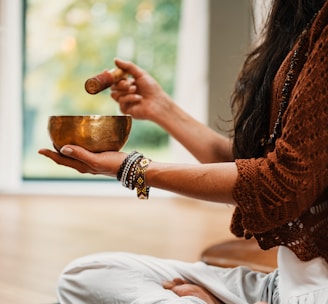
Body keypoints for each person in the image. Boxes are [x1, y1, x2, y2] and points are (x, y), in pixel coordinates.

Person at [39, 0, 328, 303]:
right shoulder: (299, 21)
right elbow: (249, 166)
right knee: (86, 276)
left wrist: (132, 168)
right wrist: (161, 109)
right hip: (279, 287)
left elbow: (280, 184)